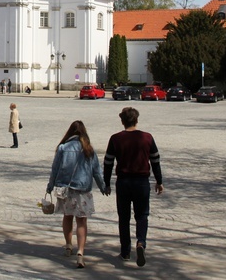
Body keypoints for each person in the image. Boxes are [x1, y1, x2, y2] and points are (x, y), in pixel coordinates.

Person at [103, 107, 163, 267]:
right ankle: (141, 243)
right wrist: (159, 180)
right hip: (142, 182)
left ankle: (125, 252)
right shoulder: (147, 138)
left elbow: (108, 162)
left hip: (123, 182)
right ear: (137, 120)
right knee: (142, 215)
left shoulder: (115, 139)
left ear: (122, 121)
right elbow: (155, 160)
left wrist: (106, 183)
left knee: (124, 218)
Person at [46, 120, 107, 269]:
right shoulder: (88, 149)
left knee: (67, 217)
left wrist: (50, 186)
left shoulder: (62, 148)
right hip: (82, 190)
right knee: (81, 221)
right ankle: (80, 252)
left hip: (65, 189)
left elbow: (55, 168)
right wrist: (103, 187)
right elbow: (97, 171)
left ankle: (68, 245)